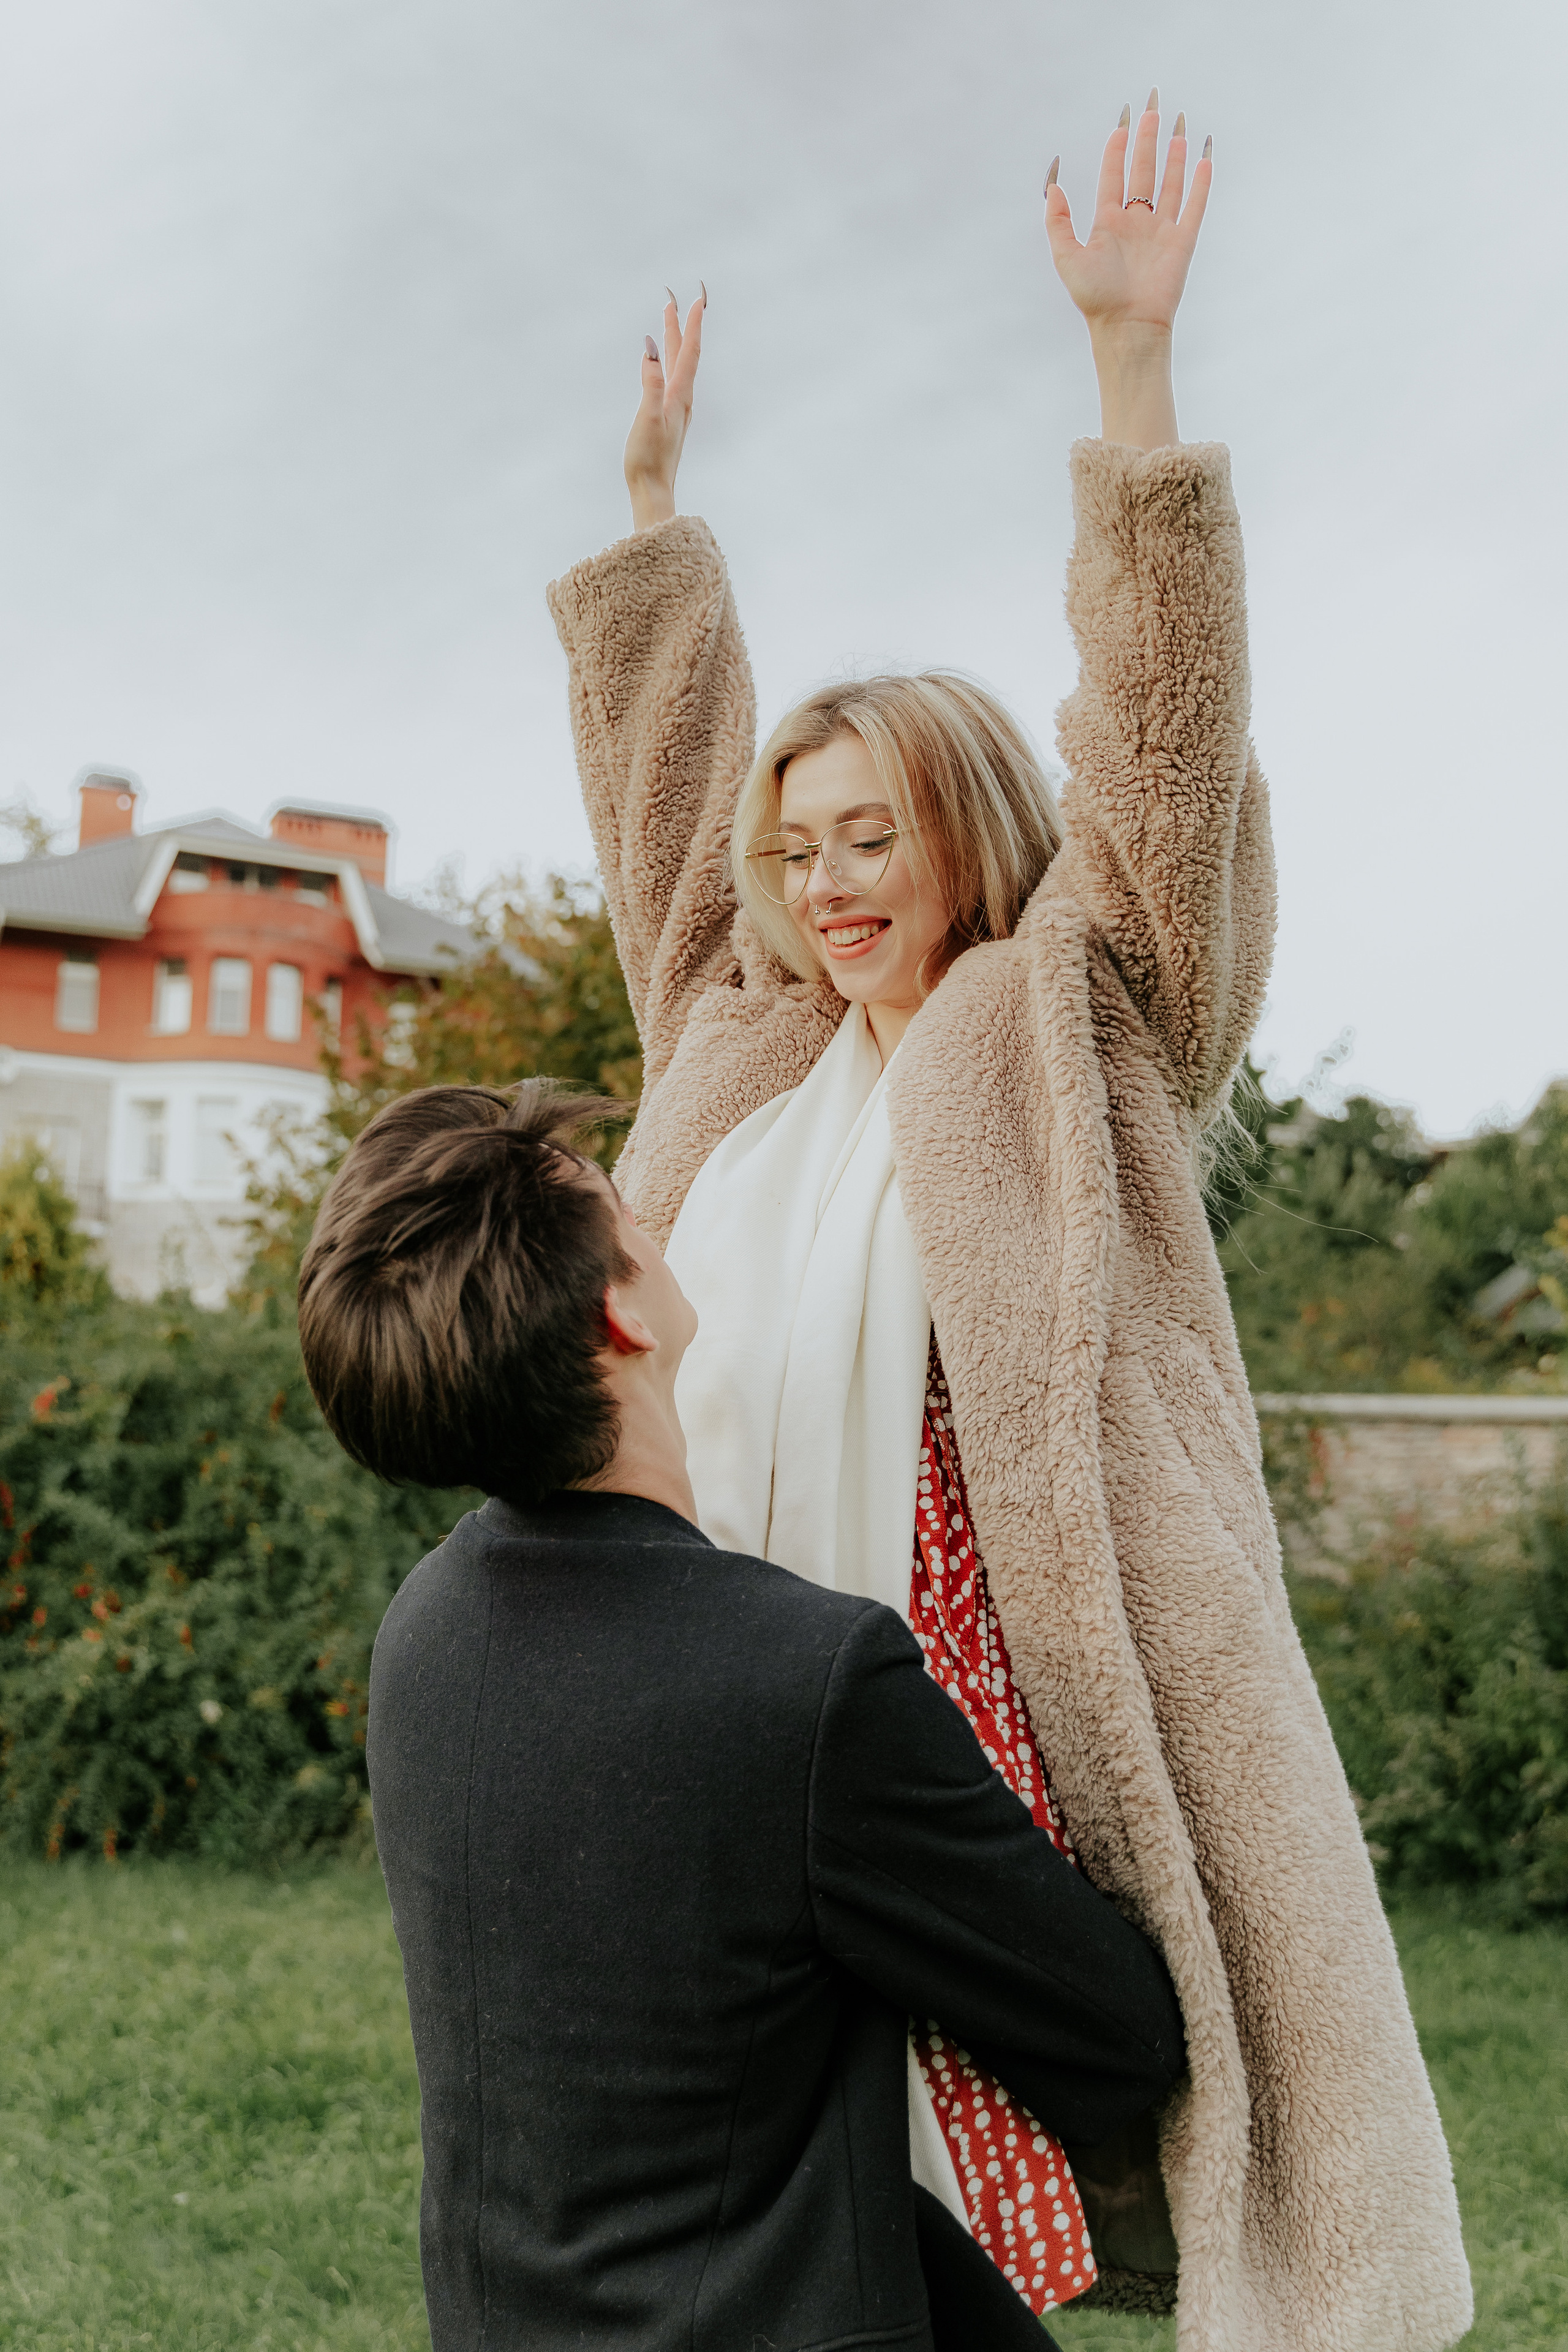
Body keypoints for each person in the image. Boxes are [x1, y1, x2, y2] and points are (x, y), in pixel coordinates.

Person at [546, 95, 1472, 2351]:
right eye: (803, 850)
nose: (828, 883)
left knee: (962, 2220)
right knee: (783, 2228)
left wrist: (1132, 380)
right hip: (717, 1729)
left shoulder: (1078, 1025)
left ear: (964, 823)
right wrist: (654, 527)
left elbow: (1163, 758)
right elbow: (668, 821)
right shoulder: (741, 1050)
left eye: (872, 834)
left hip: (965, 1734)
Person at [296, 1080, 1188, 2352]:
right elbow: (1111, 2033)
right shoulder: (803, 1679)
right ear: (619, 1313)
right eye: (624, 1211)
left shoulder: (423, 1634)